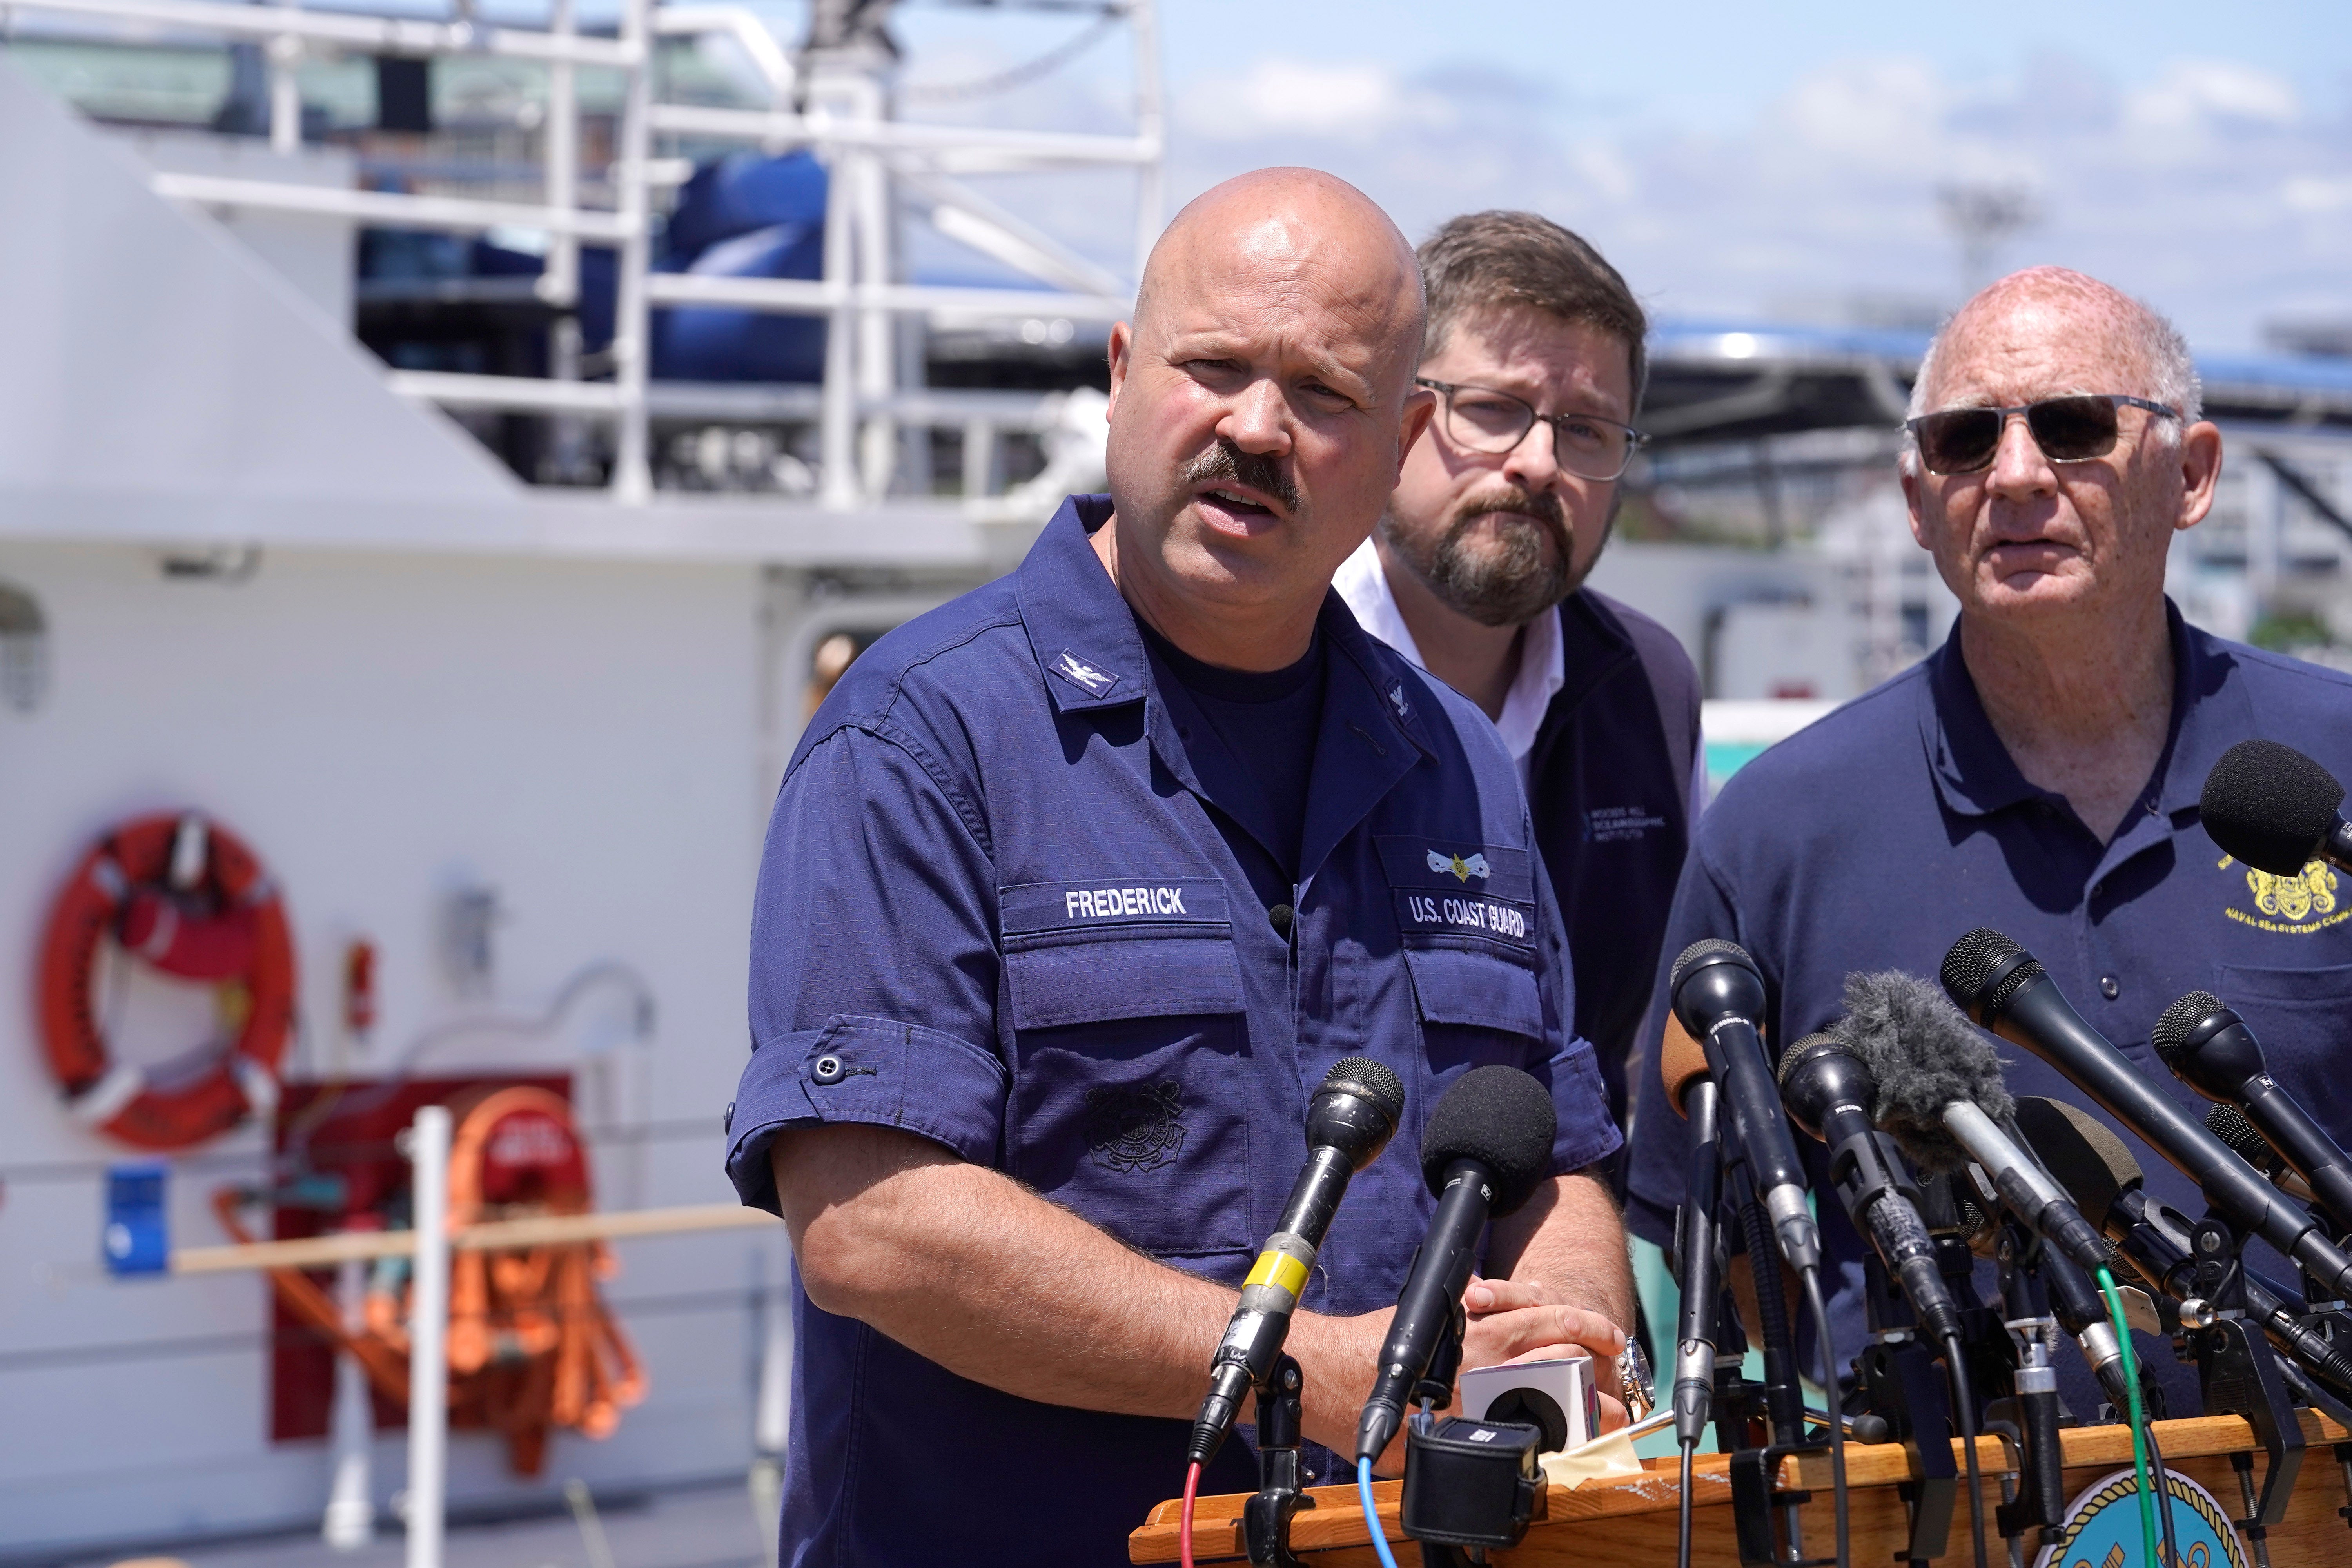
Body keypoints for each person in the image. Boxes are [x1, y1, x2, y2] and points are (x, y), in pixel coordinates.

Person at [722, 167, 1635, 1567]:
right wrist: (1302, 1364)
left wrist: (1570, 1321)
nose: (1257, 430)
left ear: (1398, 446)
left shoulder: (1454, 761)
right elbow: (869, 1220)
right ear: (1122, 374)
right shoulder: (926, 735)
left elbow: (1551, 1154)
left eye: (1324, 396)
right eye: (1215, 368)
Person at [1623, 265, 2352, 1421]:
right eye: (1965, 441)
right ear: (1918, 505)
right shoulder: (1777, 830)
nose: (2015, 476)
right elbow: (1727, 1241)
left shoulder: (2332, 771)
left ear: (2194, 474)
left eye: (2072, 428)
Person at [1334, 211, 1702, 1157]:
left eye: (1586, 429)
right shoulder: (1271, 661)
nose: (1539, 461)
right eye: (1493, 408)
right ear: (1399, 413)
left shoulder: (1649, 691)